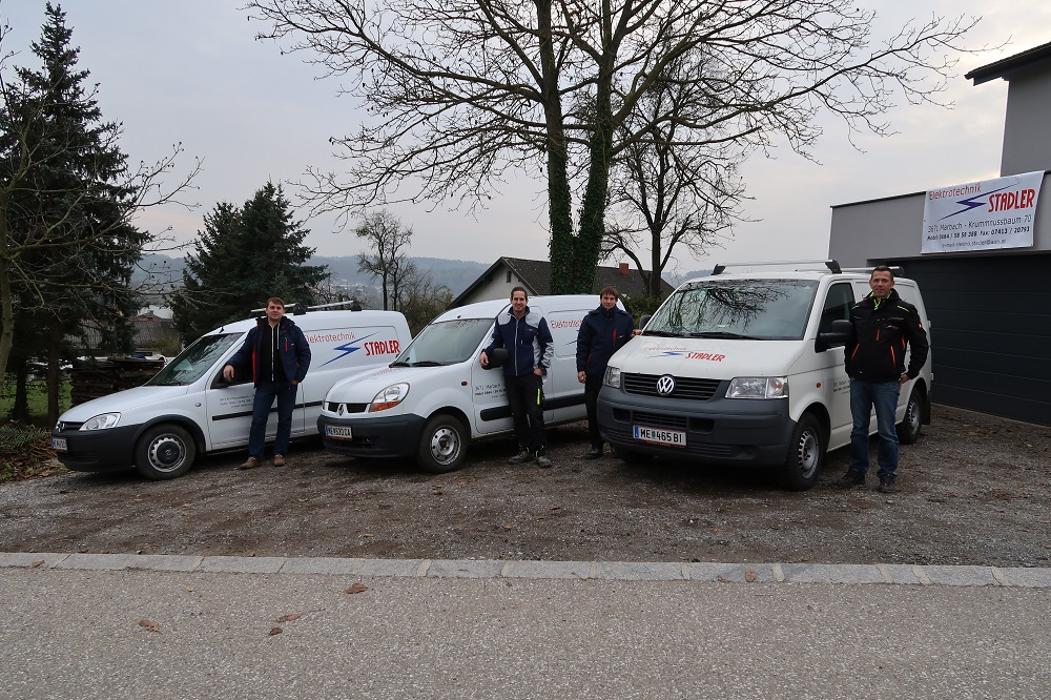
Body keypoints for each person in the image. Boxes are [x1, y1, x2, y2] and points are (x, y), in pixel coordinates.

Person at [839, 266, 929, 493]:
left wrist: (912, 371)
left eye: (884, 281)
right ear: (870, 283)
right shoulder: (859, 309)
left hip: (887, 382)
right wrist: (851, 367)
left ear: (892, 284)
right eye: (876, 280)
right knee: (858, 429)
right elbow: (850, 343)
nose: (879, 284)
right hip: (859, 380)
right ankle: (857, 472)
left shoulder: (904, 310)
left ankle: (888, 475)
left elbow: (920, 343)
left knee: (887, 431)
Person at [223, 296, 311, 470]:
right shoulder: (256, 332)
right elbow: (244, 352)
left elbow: (305, 353)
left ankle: (280, 453)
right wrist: (230, 363)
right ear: (266, 310)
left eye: (279, 307)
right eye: (272, 307)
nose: (275, 310)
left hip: (287, 383)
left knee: (285, 419)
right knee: (258, 419)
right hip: (265, 384)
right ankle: (255, 456)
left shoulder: (292, 330)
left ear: (283, 311)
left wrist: (297, 377)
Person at [480, 287, 554, 468]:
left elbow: (549, 344)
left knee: (535, 414)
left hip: (531, 377)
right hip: (511, 376)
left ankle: (540, 453)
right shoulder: (503, 319)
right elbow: (496, 340)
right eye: (516, 299)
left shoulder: (537, 319)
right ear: (510, 300)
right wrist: (484, 352)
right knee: (518, 414)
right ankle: (524, 450)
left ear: (526, 301)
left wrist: (542, 367)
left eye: (522, 299)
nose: (519, 302)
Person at [575, 286, 635, 458]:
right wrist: (581, 369)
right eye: (605, 298)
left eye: (611, 299)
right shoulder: (590, 319)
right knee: (593, 411)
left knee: (616, 411)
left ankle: (617, 445)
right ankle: (596, 446)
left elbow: (631, 345)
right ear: (600, 299)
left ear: (616, 300)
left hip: (617, 376)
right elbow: (582, 345)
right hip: (594, 373)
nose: (608, 301)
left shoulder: (625, 319)